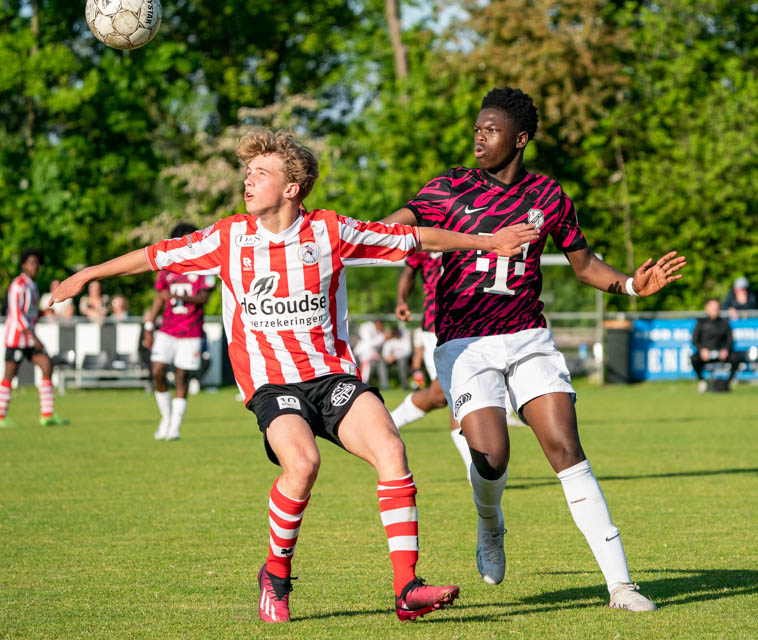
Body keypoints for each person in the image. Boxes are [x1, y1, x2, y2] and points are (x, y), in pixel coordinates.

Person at [52, 128, 537, 623]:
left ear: (291, 187)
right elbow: (155, 254)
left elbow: (415, 237)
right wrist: (88, 274)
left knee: (391, 448)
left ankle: (406, 587)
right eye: (247, 172)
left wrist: (488, 242)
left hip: (330, 377)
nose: (248, 181)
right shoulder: (229, 237)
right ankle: (276, 575)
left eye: (260, 173)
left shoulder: (330, 231)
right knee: (302, 465)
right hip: (272, 384)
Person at [381, 87, 686, 612]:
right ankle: (490, 524)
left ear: (520, 138)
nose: (480, 136)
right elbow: (392, 227)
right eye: (477, 128)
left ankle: (621, 586)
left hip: (528, 338)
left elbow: (585, 265)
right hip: (466, 344)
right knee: (492, 456)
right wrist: (357, 236)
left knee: (566, 448)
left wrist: (633, 286)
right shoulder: (448, 188)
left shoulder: (549, 196)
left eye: (491, 129)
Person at [388, 251, 475, 474]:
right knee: (454, 395)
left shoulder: (471, 225)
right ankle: (475, 471)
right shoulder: (427, 231)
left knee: (441, 396)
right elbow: (409, 270)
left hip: (473, 324)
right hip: (436, 326)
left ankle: (386, 423)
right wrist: (401, 300)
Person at [141, 223, 216, 441]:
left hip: (190, 332)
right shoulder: (167, 268)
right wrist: (149, 327)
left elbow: (204, 297)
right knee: (157, 371)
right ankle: (165, 417)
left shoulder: (204, 267)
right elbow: (159, 298)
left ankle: (175, 425)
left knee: (182, 378)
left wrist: (182, 298)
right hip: (166, 329)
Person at [1, 249, 69, 428]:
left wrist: (42, 312)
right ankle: (1, 417)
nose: (35, 266)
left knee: (47, 366)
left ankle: (47, 415)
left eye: (37, 263)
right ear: (23, 265)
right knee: (9, 375)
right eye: (31, 262)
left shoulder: (32, 285)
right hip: (17, 339)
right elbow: (16, 314)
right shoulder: (18, 284)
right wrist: (33, 336)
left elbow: (28, 312)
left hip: (29, 339)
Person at [691, 298, 746, 393]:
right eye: (712, 308)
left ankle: (727, 383)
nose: (715, 310)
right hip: (706, 354)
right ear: (707, 308)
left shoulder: (724, 323)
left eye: (717, 308)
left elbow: (730, 340)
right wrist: (702, 350)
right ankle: (702, 381)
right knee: (694, 359)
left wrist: (726, 349)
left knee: (736, 358)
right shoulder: (701, 323)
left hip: (721, 353)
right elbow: (695, 340)